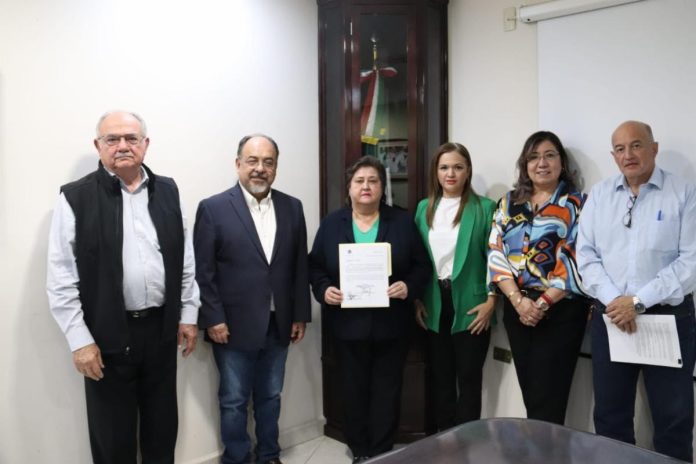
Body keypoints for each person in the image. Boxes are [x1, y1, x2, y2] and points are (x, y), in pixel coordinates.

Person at [46, 111, 200, 464]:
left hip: (161, 332)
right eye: (112, 139)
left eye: (131, 138)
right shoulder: (76, 197)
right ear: (97, 145)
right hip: (106, 337)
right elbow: (60, 277)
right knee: (113, 440)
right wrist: (80, 341)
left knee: (162, 431)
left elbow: (185, 260)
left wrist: (188, 314)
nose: (123, 146)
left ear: (145, 144)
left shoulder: (168, 191)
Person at [577, 121, 696, 462]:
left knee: (673, 420)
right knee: (610, 417)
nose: (628, 154)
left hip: (667, 318)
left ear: (654, 149)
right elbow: (585, 255)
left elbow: (690, 261)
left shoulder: (684, 193)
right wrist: (617, 302)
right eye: (620, 148)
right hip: (611, 316)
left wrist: (638, 302)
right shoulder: (600, 195)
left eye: (636, 145)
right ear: (613, 155)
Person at [193, 134, 311, 464]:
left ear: (276, 168)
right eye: (253, 161)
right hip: (231, 326)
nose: (260, 168)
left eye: (268, 162)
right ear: (238, 164)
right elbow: (204, 271)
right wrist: (213, 318)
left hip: (279, 323)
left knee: (271, 395)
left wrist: (299, 314)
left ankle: (269, 454)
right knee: (233, 400)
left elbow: (299, 265)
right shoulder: (213, 208)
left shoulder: (292, 207)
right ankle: (237, 457)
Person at [308, 156, 431, 463]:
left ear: (382, 187)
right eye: (359, 181)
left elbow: (421, 266)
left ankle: (381, 451)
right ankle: (360, 450)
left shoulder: (401, 222)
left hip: (392, 324)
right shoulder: (332, 224)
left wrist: (408, 287)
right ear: (349, 188)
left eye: (373, 181)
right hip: (347, 325)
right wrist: (324, 290)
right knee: (353, 389)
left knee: (387, 390)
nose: (366, 186)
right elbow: (315, 266)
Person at [487, 131, 589, 425]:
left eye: (549, 155)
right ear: (525, 164)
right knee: (531, 392)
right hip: (517, 310)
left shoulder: (577, 203)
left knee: (551, 397)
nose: (541, 163)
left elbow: (576, 257)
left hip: (561, 311)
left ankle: (549, 448)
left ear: (561, 162)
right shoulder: (508, 202)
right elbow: (495, 251)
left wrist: (542, 303)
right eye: (533, 157)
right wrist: (518, 301)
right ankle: (538, 447)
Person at [413, 142, 497, 431]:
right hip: (434, 302)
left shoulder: (485, 207)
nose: (451, 174)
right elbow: (417, 258)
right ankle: (444, 442)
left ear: (468, 171)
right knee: (441, 379)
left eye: (458, 167)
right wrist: (417, 300)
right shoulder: (424, 207)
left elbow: (496, 260)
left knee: (470, 380)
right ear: (436, 172)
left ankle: (467, 444)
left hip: (473, 305)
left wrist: (492, 301)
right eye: (444, 167)